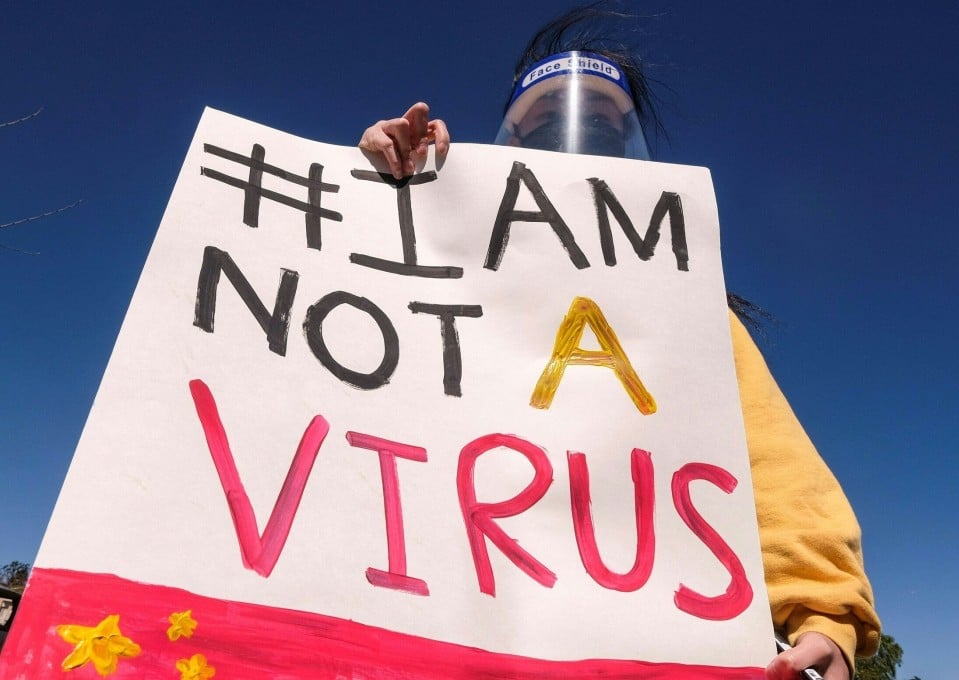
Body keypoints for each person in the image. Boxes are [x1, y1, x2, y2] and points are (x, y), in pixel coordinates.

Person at [359, 7, 880, 679]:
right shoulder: (450, 281)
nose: (571, 146)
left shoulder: (686, 309)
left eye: (603, 130)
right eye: (541, 129)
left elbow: (774, 464)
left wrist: (824, 618)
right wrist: (391, 198)